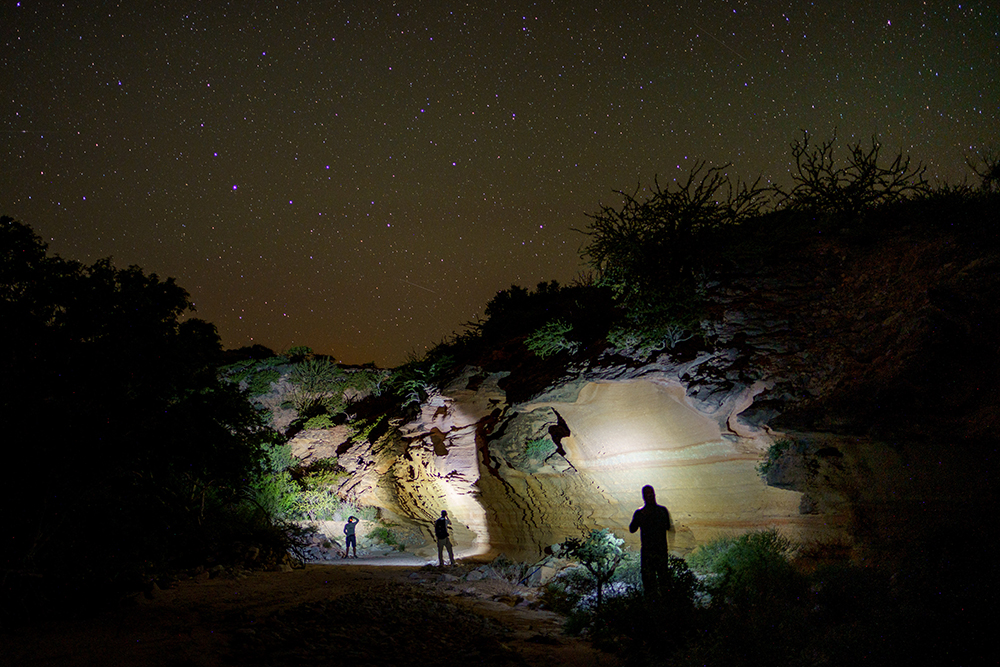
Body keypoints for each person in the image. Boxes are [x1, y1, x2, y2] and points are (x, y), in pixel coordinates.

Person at [629, 484, 673, 600]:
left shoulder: (641, 513)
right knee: (662, 580)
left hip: (649, 552)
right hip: (659, 551)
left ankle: (654, 607)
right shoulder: (662, 511)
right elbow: (668, 527)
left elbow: (632, 529)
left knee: (651, 583)